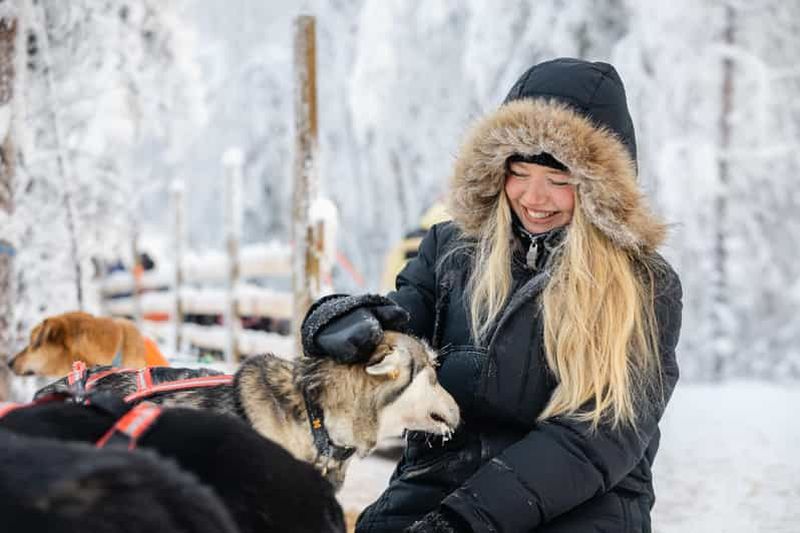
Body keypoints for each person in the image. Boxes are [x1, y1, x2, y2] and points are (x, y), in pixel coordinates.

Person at [302, 57, 683, 532]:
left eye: (559, 181)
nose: (534, 197)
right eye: (519, 172)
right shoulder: (451, 250)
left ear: (597, 189)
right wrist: (342, 322)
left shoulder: (643, 285)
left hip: (583, 504)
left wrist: (464, 522)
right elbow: (399, 332)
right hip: (438, 491)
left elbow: (596, 438)